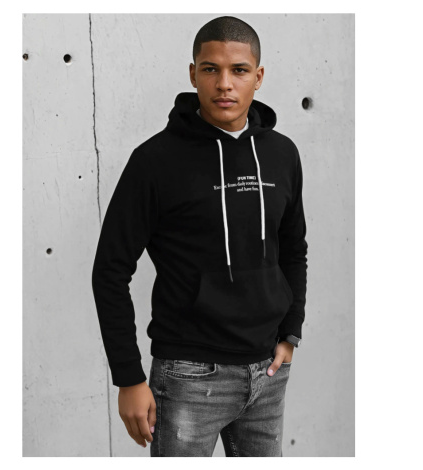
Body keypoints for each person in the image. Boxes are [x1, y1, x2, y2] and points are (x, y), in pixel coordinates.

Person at [92, 15, 308, 457]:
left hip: (268, 371)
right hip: (189, 374)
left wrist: (291, 333)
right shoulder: (155, 161)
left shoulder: (282, 153)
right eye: (211, 69)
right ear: (193, 75)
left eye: (239, 70)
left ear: (258, 77)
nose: (224, 84)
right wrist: (129, 378)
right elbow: (110, 271)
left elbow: (293, 249)